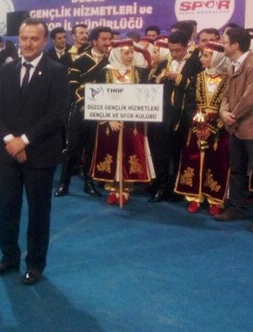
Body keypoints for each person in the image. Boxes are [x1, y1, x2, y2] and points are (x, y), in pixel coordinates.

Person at [0, 18, 68, 284]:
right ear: (18, 40)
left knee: (38, 212)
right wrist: (10, 140)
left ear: (44, 41)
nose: (29, 43)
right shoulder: (6, 70)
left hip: (40, 154)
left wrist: (25, 140)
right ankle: (9, 257)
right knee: (7, 208)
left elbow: (57, 113)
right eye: (24, 38)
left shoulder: (57, 71)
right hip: (8, 153)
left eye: (34, 38)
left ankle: (35, 263)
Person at [89, 40, 154, 205]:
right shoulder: (105, 72)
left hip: (133, 122)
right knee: (111, 151)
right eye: (126, 53)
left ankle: (126, 187)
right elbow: (98, 97)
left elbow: (145, 96)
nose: (130, 56)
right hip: (110, 122)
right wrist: (109, 118)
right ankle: (112, 186)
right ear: (117, 54)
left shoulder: (139, 72)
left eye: (132, 52)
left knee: (129, 151)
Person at [215, 26, 253, 233]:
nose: (222, 46)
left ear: (235, 45)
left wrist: (231, 116)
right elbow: (226, 94)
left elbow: (250, 99)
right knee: (236, 170)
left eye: (225, 43)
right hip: (236, 126)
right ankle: (236, 207)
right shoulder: (232, 65)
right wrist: (223, 112)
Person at [174, 42, 232, 215]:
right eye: (202, 55)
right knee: (193, 159)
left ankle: (214, 198)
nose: (201, 58)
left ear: (217, 58)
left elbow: (228, 105)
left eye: (206, 56)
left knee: (217, 162)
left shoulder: (228, 80)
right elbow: (190, 103)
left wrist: (212, 128)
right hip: (197, 128)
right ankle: (194, 196)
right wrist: (198, 124)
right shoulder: (197, 78)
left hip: (219, 129)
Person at [55, 25, 113, 197]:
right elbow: (73, 87)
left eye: (109, 39)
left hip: (101, 113)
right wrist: (85, 105)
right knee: (72, 149)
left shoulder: (111, 62)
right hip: (80, 112)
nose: (107, 42)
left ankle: (89, 183)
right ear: (94, 41)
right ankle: (64, 184)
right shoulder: (80, 61)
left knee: (91, 149)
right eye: (104, 39)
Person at [148, 26, 203, 202]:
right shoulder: (164, 63)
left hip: (183, 116)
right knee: (161, 152)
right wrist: (158, 80)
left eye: (178, 50)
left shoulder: (195, 63)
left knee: (178, 153)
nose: (174, 54)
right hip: (162, 114)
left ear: (186, 46)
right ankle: (161, 185)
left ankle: (176, 187)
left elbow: (197, 89)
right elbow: (152, 86)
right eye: (171, 50)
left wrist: (178, 78)